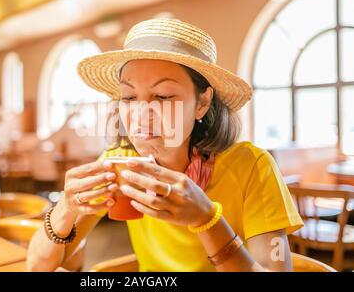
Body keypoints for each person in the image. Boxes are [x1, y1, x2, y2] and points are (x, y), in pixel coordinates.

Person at [27, 18, 303, 272]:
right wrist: (66, 206)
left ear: (203, 103)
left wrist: (207, 220)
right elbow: (37, 267)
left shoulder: (252, 167)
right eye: (129, 97)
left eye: (162, 96)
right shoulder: (120, 162)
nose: (141, 114)